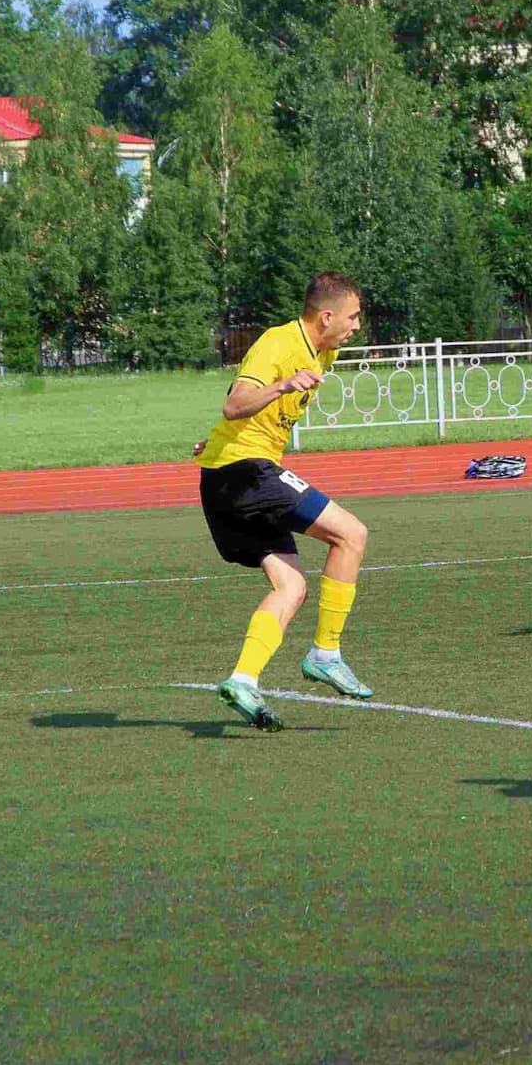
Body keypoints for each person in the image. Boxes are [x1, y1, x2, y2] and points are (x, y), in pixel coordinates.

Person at [196, 273, 374, 730]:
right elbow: (236, 405)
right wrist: (281, 385)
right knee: (351, 534)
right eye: (352, 316)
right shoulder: (279, 344)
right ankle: (326, 653)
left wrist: (214, 442)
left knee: (291, 587)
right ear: (326, 316)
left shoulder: (324, 351)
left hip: (225, 477)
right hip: (245, 474)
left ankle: (242, 679)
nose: (357, 324)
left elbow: (236, 413)